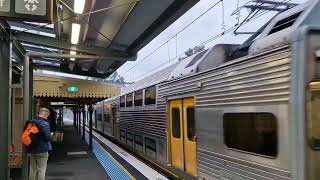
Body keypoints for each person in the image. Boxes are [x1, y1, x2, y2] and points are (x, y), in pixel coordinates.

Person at [28, 108, 52, 180]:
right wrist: (51, 135)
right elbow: (48, 138)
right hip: (42, 150)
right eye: (47, 116)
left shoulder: (31, 122)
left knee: (32, 169)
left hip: (32, 149)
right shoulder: (44, 123)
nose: (46, 118)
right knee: (41, 169)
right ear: (44, 114)